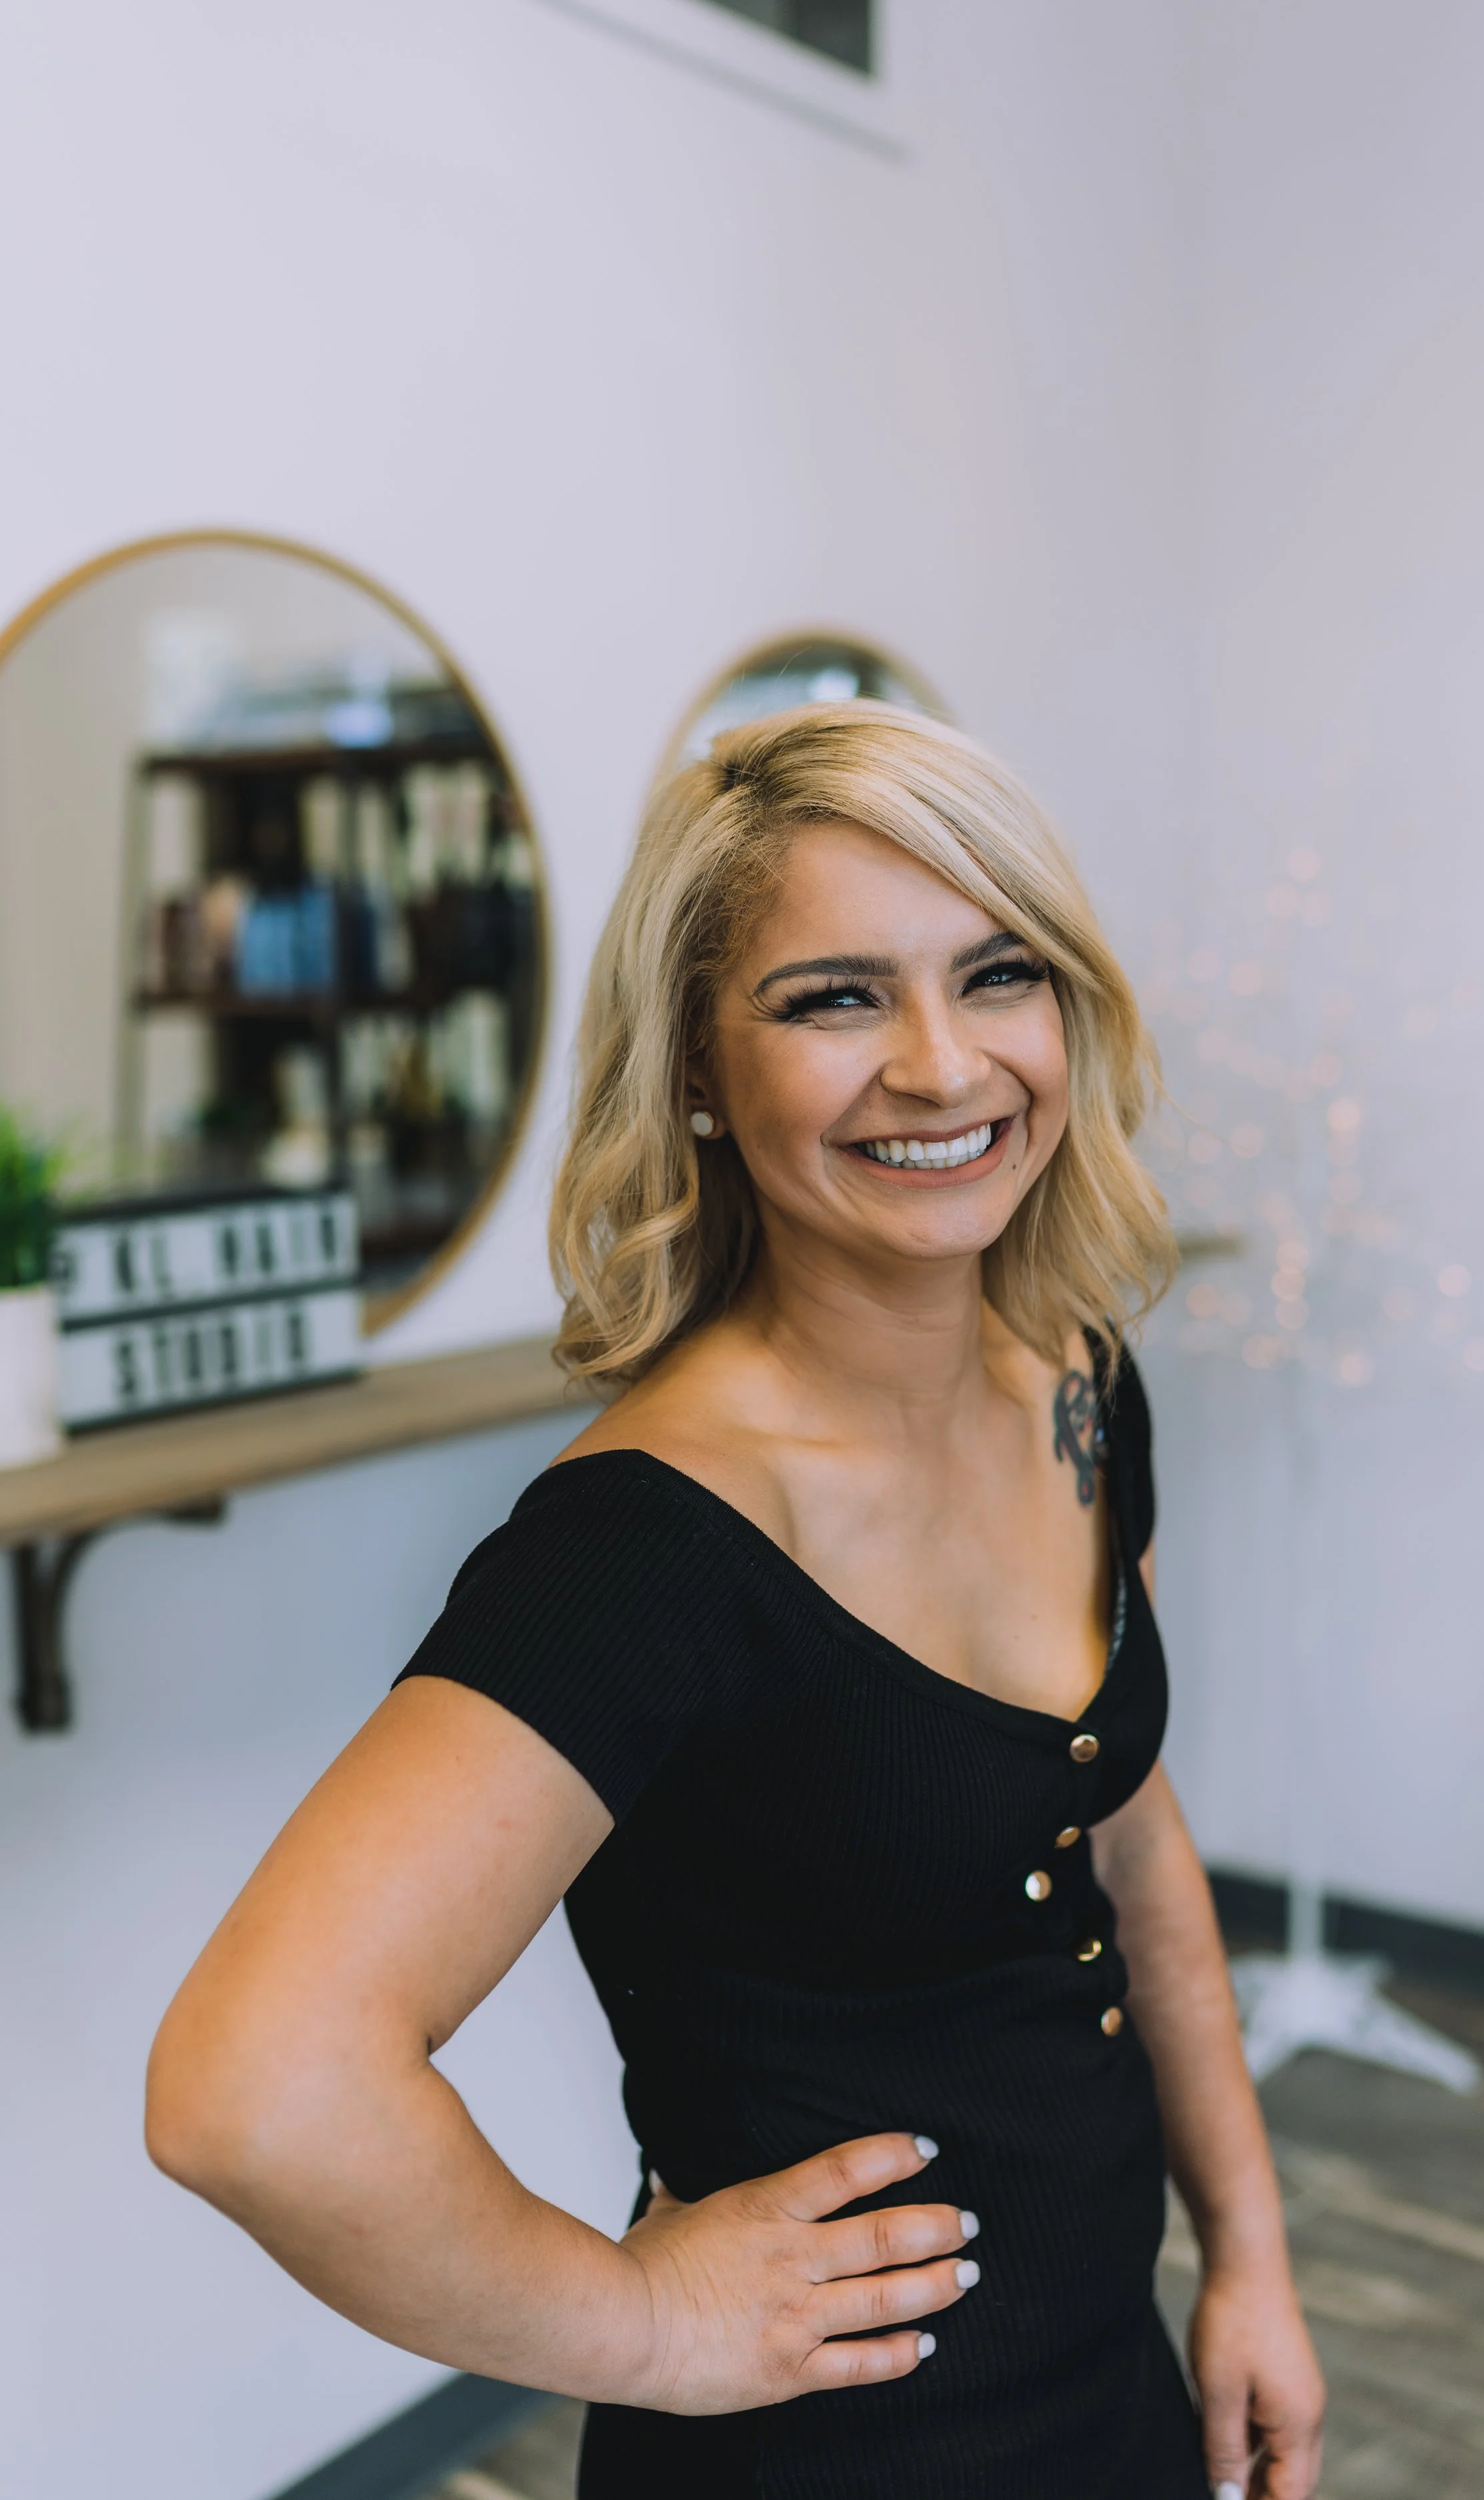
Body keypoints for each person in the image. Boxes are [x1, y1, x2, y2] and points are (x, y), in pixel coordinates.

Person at [147, 704, 1324, 2499]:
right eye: (833, 997)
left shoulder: (1074, 1376)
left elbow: (1131, 1848)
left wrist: (1243, 2248)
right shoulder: (648, 1543)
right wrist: (639, 2321)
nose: (940, 1065)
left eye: (994, 972)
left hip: (1104, 2376)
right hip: (835, 2450)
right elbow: (257, 2086)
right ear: (696, 1065)